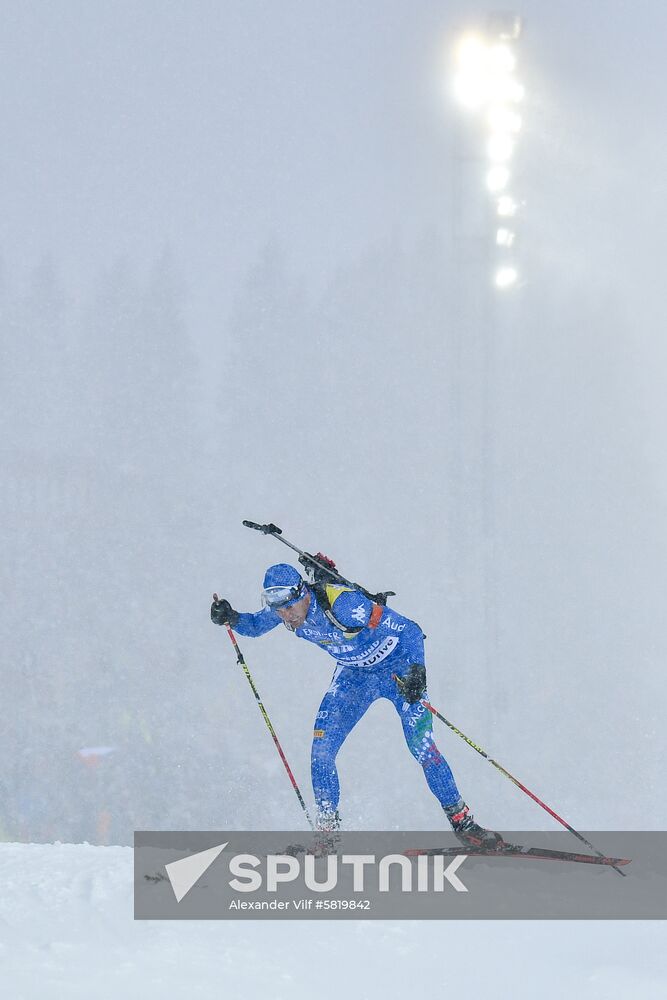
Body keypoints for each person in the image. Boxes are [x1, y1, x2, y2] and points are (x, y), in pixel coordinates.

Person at [211, 562, 502, 847]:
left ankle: (464, 824)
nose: (286, 616)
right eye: (278, 609)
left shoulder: (344, 605)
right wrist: (231, 617)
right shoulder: (284, 611)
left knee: (422, 748)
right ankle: (327, 839)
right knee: (321, 753)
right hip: (355, 678)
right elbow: (255, 625)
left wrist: (417, 673)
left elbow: (410, 630)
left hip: (397, 669)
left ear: (302, 594)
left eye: (289, 607)